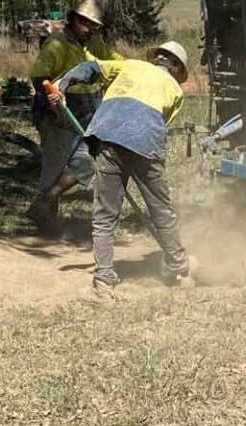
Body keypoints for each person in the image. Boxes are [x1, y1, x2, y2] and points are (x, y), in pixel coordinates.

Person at [52, 41, 194, 294]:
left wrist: (61, 84)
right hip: (145, 146)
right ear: (177, 70)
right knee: (162, 211)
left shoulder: (130, 65)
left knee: (105, 215)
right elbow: (159, 124)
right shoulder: (175, 91)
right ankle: (178, 267)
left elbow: (91, 67)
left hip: (106, 139)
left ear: (157, 59)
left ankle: (104, 279)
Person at [27, 0, 121, 230]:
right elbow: (39, 76)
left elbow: (115, 61)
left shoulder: (93, 43)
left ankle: (43, 204)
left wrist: (137, 68)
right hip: (57, 116)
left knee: (89, 161)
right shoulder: (57, 44)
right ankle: (45, 221)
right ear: (73, 19)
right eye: (85, 23)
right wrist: (52, 96)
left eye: (94, 25)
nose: (89, 29)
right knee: (54, 166)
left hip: (88, 114)